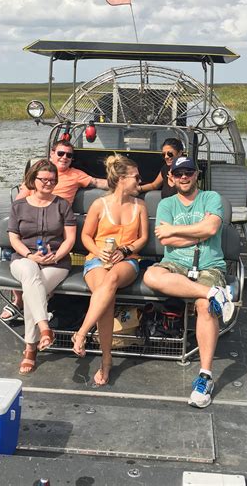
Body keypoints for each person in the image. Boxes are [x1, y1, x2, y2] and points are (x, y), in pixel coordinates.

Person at [143, 156, 234, 409]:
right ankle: (214, 293)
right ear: (171, 177)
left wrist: (177, 231)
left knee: (204, 307)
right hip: (175, 264)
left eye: (189, 172)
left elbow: (212, 229)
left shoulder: (212, 198)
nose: (184, 177)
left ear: (196, 175)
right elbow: (166, 240)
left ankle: (205, 376)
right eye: (179, 173)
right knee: (151, 275)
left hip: (208, 264)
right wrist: (198, 230)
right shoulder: (166, 204)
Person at [0, 140, 108, 321]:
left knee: (35, 276)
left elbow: (98, 182)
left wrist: (126, 182)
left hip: (56, 221)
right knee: (12, 249)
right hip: (32, 220)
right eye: (61, 153)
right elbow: (19, 202)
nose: (64, 157)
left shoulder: (76, 175)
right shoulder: (38, 173)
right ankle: (18, 300)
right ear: (52, 153)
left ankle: (33, 329)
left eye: (69, 155)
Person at [72, 154, 149, 386]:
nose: (139, 181)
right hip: (97, 260)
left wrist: (125, 251)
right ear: (122, 179)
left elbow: (143, 238)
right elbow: (85, 235)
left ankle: (82, 333)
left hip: (127, 261)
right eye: (136, 177)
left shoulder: (140, 206)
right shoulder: (99, 205)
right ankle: (107, 361)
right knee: (106, 299)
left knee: (111, 280)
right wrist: (98, 250)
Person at [7, 159, 77, 375]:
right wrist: (30, 255)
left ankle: (30, 348)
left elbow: (69, 239)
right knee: (29, 272)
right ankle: (44, 327)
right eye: (44, 179)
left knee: (31, 292)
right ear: (33, 180)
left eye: (53, 180)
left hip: (56, 262)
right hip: (23, 259)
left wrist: (56, 256)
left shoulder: (62, 205)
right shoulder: (19, 206)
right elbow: (13, 238)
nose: (48, 183)